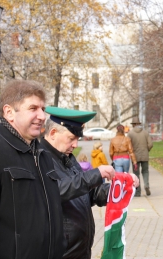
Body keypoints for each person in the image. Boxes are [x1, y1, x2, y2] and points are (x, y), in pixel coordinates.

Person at [0, 80, 65, 259]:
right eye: (33, 108)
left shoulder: (43, 155)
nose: (41, 116)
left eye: (42, 109)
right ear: (9, 112)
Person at [41, 106, 139, 259]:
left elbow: (88, 193)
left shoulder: (66, 159)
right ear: (53, 133)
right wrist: (95, 175)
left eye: (77, 140)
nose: (75, 145)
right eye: (71, 139)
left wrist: (120, 187)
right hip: (60, 253)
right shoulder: (40, 159)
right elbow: (56, 191)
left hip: (79, 250)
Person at [128, 117, 153, 197]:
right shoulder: (145, 133)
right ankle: (146, 185)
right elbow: (150, 144)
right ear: (139, 124)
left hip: (135, 157)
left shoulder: (130, 133)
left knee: (136, 174)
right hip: (145, 155)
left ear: (133, 124)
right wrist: (146, 150)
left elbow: (129, 145)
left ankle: (138, 191)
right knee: (145, 171)